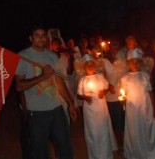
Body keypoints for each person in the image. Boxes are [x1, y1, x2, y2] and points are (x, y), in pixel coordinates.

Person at [15, 25, 77, 159]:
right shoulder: (23, 56)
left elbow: (59, 83)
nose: (41, 38)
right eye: (37, 36)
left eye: (43, 35)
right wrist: (42, 76)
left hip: (56, 109)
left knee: (65, 147)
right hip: (37, 112)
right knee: (40, 150)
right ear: (31, 38)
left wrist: (70, 103)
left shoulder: (52, 56)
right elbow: (19, 86)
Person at [119, 48, 155, 159]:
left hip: (145, 108)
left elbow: (151, 94)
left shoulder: (145, 76)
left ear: (141, 62)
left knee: (148, 128)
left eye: (138, 61)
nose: (135, 63)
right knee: (134, 131)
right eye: (133, 61)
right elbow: (123, 95)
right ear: (128, 62)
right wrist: (123, 100)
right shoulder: (124, 78)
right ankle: (135, 153)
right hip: (132, 110)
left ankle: (152, 151)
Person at [77, 54, 118, 159]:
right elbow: (79, 94)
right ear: (83, 66)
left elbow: (108, 87)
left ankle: (106, 154)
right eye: (87, 64)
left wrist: (104, 91)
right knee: (93, 131)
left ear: (95, 65)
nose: (90, 66)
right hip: (90, 110)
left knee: (103, 129)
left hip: (101, 108)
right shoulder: (82, 80)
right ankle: (95, 155)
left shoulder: (100, 76)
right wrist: (85, 97)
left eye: (92, 64)